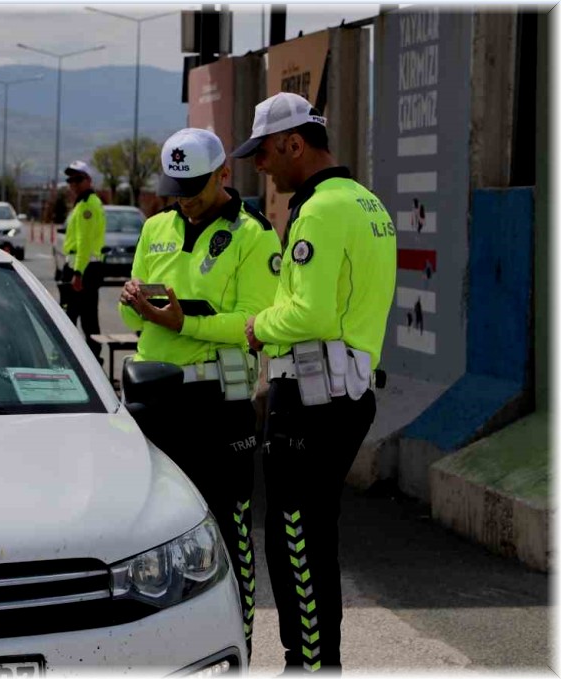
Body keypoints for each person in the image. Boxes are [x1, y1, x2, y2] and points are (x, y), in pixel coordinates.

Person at [235, 92, 396, 673]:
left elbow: (309, 315)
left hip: (310, 398)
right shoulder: (367, 202)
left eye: (265, 152)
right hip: (344, 396)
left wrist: (256, 326)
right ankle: (319, 657)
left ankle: (308, 663)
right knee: (313, 535)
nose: (261, 165)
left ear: (293, 144)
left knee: (293, 539)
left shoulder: (321, 210)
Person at [118, 128, 281, 656]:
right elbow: (129, 311)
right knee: (144, 539)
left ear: (225, 174)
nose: (183, 196)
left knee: (231, 534)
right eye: (175, 186)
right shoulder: (156, 227)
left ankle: (241, 651)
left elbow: (256, 323)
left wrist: (185, 321)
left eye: (194, 185)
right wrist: (133, 300)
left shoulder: (255, 235)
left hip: (217, 404)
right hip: (154, 403)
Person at [59, 160, 105, 355]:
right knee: (86, 317)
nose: (74, 184)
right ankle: (92, 358)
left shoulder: (88, 206)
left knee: (69, 317)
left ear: (89, 180)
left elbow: (84, 241)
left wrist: (77, 272)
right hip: (83, 266)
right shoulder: (82, 203)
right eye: (70, 180)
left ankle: (71, 358)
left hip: (83, 268)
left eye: (78, 179)